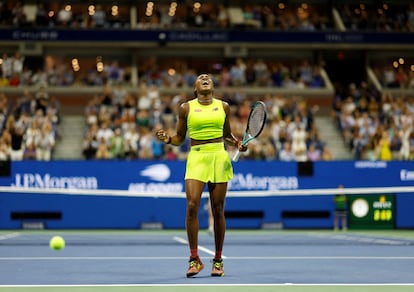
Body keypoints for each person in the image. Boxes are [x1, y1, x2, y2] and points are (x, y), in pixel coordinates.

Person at [156, 73, 247, 278]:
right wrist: (168, 139)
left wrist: (237, 143)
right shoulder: (186, 108)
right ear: (195, 88)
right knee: (191, 205)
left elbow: (226, 135)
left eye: (208, 77)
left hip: (218, 156)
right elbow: (180, 138)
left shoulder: (223, 106)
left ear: (212, 87)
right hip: (196, 157)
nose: (205, 78)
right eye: (200, 77)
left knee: (218, 208)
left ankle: (218, 260)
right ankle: (194, 259)